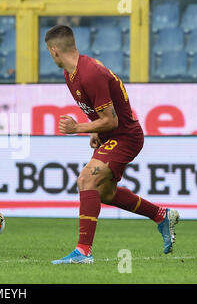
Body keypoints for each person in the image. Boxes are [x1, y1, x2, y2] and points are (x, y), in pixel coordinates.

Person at [44, 25, 179, 264]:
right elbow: (99, 114)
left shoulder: (89, 73)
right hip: (112, 135)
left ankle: (84, 251)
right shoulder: (71, 73)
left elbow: (112, 120)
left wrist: (78, 128)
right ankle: (161, 215)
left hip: (126, 136)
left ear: (54, 50)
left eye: (48, 51)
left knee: (86, 179)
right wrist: (93, 129)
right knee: (105, 193)